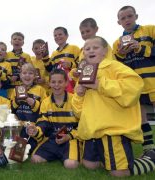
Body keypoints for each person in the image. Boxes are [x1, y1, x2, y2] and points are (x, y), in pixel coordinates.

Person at [72, 36, 155, 177]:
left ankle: (151, 160)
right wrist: (79, 95)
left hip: (112, 129)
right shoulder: (83, 74)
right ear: (83, 53)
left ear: (105, 51)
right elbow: (78, 111)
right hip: (92, 130)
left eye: (95, 47)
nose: (90, 50)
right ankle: (112, 160)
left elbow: (135, 85)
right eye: (87, 48)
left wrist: (100, 84)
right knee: (89, 165)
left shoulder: (114, 66)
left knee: (119, 173)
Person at [113, 5, 155, 153]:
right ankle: (149, 150)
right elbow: (118, 67)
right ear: (119, 22)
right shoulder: (117, 43)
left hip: (153, 81)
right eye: (123, 18)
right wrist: (121, 55)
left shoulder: (150, 30)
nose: (127, 20)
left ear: (136, 16)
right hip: (136, 86)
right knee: (142, 118)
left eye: (129, 16)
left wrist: (140, 48)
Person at [26, 69, 79, 169]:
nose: (56, 85)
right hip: (52, 139)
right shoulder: (46, 102)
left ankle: (65, 156)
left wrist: (69, 136)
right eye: (53, 82)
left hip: (70, 139)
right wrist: (36, 131)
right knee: (35, 160)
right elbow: (43, 123)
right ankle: (57, 154)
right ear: (49, 83)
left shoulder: (75, 100)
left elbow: (82, 125)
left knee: (71, 165)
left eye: (60, 82)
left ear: (66, 83)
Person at [10, 63, 47, 152]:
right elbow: (10, 109)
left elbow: (44, 109)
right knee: (14, 149)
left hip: (33, 126)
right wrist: (16, 102)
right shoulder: (15, 90)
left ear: (35, 76)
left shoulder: (40, 90)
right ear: (20, 75)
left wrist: (34, 104)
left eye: (30, 73)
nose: (27, 75)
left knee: (30, 148)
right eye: (24, 73)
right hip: (19, 126)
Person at [44, 27, 80, 93]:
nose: (57, 36)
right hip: (59, 86)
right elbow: (50, 69)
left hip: (74, 85)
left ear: (66, 36)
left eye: (60, 34)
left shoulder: (74, 48)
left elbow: (81, 64)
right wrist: (45, 56)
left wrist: (71, 64)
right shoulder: (54, 54)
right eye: (55, 35)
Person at [6, 32, 32, 98]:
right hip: (8, 87)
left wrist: (18, 76)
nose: (17, 41)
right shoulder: (6, 55)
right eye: (15, 39)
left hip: (21, 86)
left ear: (23, 43)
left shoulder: (27, 56)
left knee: (19, 103)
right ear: (11, 42)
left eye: (19, 39)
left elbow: (30, 71)